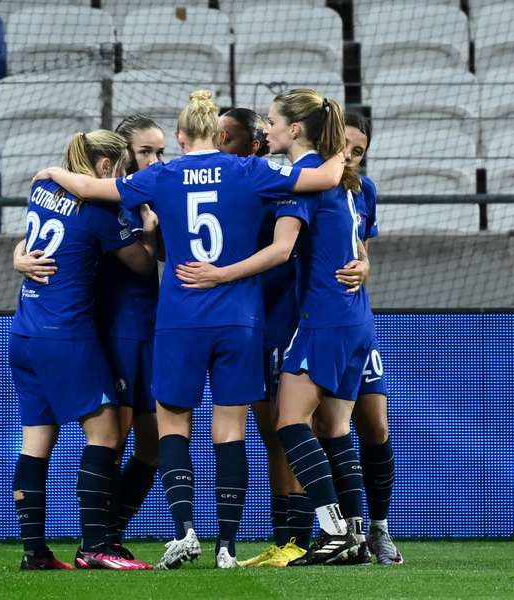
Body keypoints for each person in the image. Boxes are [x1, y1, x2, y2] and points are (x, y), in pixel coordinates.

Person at [31, 90, 346, 570]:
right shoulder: (250, 170)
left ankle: (184, 533)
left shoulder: (161, 175)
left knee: (173, 425)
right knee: (231, 431)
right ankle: (227, 547)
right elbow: (321, 176)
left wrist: (53, 173)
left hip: (180, 318)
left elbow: (95, 190)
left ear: (179, 136)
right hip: (240, 318)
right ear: (220, 135)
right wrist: (341, 149)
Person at [175, 88, 372, 566]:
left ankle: (334, 530)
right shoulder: (343, 178)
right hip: (356, 316)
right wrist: (363, 265)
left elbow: (283, 250)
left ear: (295, 129)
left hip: (322, 316)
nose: (267, 129)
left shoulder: (303, 177)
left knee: (289, 423)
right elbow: (355, 244)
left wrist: (220, 273)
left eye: (272, 121)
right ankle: (356, 534)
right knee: (336, 426)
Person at [15, 116, 166, 560]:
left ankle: (36, 552)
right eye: (140, 155)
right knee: (107, 436)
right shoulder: (101, 208)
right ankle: (98, 545)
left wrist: (20, 255)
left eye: (161, 152)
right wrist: (150, 232)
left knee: (37, 441)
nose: (153, 162)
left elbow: (38, 234)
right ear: (106, 165)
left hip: (26, 329)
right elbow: (142, 262)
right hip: (75, 335)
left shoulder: (43, 191)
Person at [331, 111, 403, 565]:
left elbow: (363, 252)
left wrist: (366, 266)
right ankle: (344, 531)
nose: (352, 156)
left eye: (359, 151)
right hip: (317, 321)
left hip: (358, 318)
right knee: (326, 426)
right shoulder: (309, 184)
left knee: (375, 424)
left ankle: (379, 528)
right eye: (346, 146)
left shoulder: (365, 190)